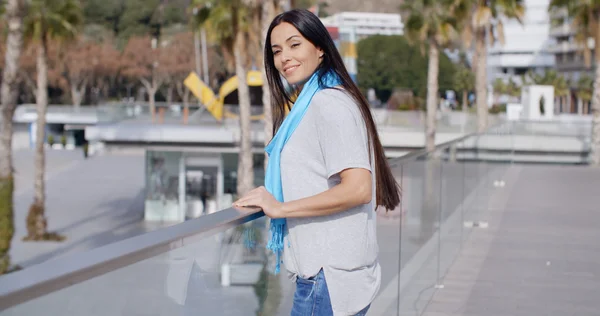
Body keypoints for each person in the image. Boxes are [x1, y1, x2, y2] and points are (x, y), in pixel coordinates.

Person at [233, 9, 401, 316]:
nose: (285, 58)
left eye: (294, 45)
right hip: (335, 274)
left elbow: (359, 188)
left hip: (327, 279)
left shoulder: (328, 103)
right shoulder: (319, 101)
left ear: (320, 47)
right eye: (277, 51)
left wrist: (280, 208)